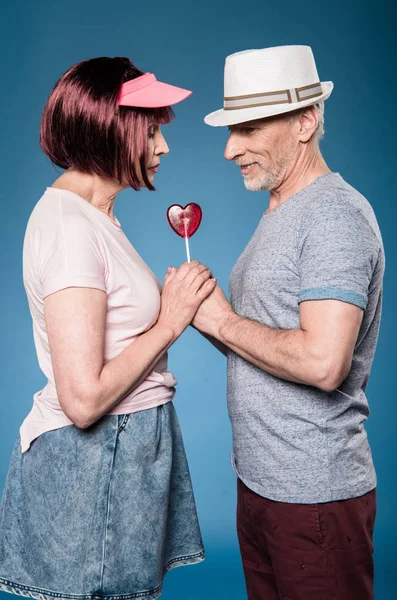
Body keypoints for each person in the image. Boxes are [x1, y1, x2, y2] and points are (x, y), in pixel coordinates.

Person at [0, 56, 216, 600]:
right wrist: (169, 322)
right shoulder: (72, 228)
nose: (163, 147)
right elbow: (83, 399)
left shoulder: (94, 217)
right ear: (108, 128)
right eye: (150, 132)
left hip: (118, 459)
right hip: (98, 462)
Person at [192, 45, 384, 599]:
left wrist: (225, 323)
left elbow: (324, 363)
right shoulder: (281, 209)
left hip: (314, 496)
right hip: (261, 486)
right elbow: (266, 346)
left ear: (306, 121)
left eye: (248, 128)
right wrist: (201, 314)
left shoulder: (334, 216)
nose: (230, 149)